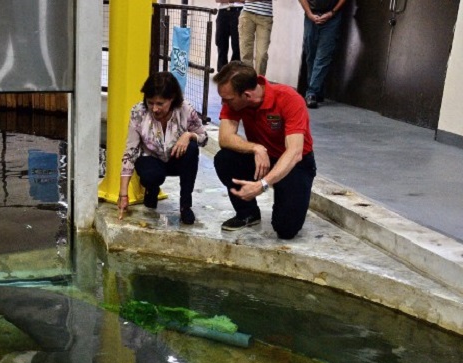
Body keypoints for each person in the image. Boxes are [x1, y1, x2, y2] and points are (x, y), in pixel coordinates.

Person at [212, 61, 316, 239]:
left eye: (227, 99)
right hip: (263, 158)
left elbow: (295, 152)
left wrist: (263, 184)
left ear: (246, 95)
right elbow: (225, 138)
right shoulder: (235, 102)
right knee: (224, 159)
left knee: (285, 229)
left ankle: (286, 194)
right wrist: (256, 148)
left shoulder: (289, 99)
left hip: (294, 164)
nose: (223, 103)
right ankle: (247, 213)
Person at [117, 71, 207, 225]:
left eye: (160, 104)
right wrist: (123, 194)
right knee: (151, 175)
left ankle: (185, 206)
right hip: (151, 158)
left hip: (175, 157)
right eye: (150, 102)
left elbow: (204, 138)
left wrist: (189, 135)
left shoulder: (186, 110)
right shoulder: (138, 112)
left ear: (171, 99)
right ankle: (151, 189)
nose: (155, 109)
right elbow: (130, 151)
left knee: (192, 149)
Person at [299, 0, 346, 109]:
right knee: (311, 54)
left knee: (323, 56)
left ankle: (311, 92)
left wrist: (332, 12)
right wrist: (309, 13)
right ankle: (316, 91)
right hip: (311, 14)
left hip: (332, 17)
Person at [238, 0, 273, 76]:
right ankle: (248, 82)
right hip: (247, 14)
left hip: (265, 17)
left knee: (262, 55)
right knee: (245, 53)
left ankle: (259, 84)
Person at [215, 1, 245, 72]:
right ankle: (222, 74)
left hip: (239, 10)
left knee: (237, 45)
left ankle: (233, 74)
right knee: (221, 44)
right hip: (222, 11)